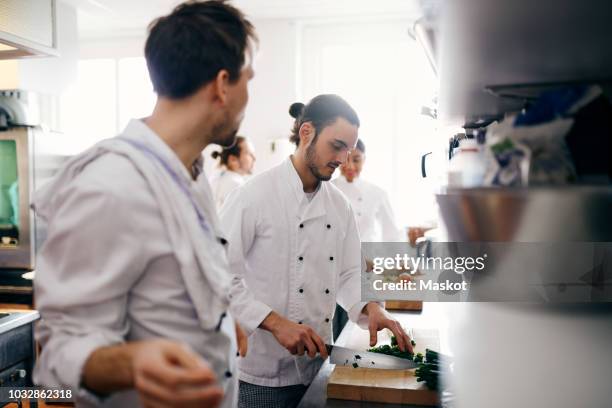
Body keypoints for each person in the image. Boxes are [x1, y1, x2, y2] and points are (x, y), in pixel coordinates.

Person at [31, 2, 256, 407]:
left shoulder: (191, 172)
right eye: (248, 82)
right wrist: (131, 364)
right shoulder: (113, 186)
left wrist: (221, 322)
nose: (248, 99)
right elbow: (58, 354)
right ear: (223, 85)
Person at [220, 95, 413, 408]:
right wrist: (274, 322)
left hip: (318, 365)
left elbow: (349, 273)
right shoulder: (252, 196)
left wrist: (371, 308)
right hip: (261, 373)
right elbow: (217, 274)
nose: (342, 159)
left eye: (349, 150)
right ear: (306, 132)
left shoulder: (340, 206)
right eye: (336, 146)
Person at [332, 139, 403, 242]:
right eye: (345, 160)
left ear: (364, 160)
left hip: (368, 256)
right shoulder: (326, 190)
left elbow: (391, 235)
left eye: (356, 160)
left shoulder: (378, 193)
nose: (350, 166)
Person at [210, 136, 256, 209]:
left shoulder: (217, 178)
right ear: (233, 159)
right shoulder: (235, 185)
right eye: (249, 153)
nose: (254, 158)